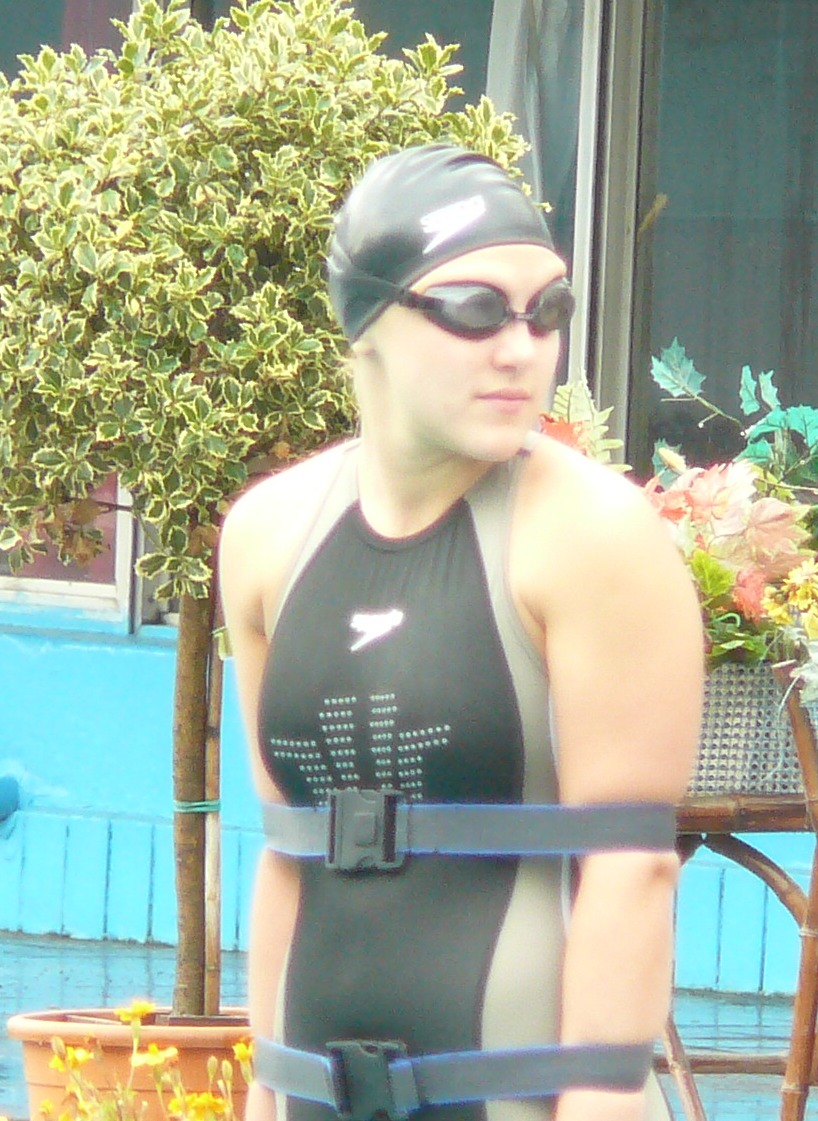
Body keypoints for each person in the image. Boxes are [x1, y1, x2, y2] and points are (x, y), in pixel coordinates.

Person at [219, 144, 704, 1121]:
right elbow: (290, 849)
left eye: (547, 311)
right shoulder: (267, 534)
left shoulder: (590, 534)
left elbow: (630, 864)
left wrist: (600, 1100)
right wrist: (266, 1090)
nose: (520, 349)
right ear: (366, 320)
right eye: (475, 310)